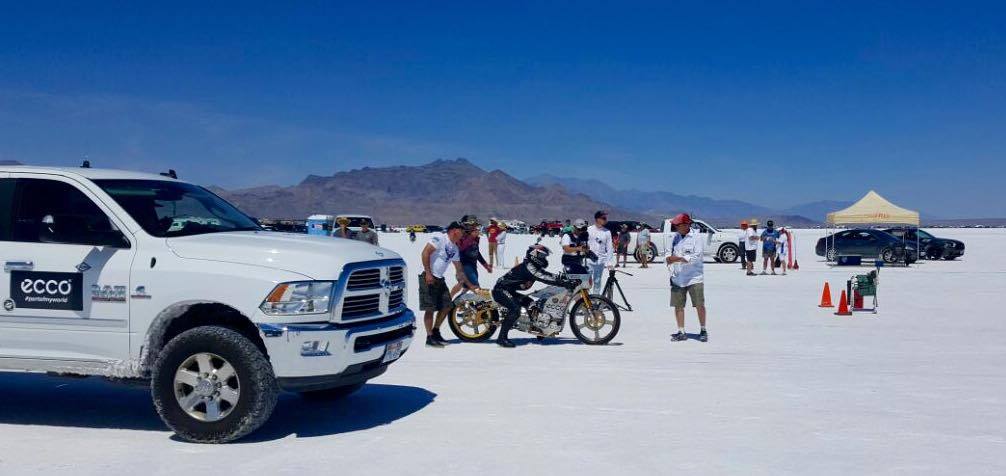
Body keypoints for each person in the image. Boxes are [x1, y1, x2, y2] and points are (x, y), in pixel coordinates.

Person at [492, 245, 579, 348]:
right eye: (542, 256)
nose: (544, 259)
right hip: (501, 291)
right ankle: (501, 338)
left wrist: (561, 278)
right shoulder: (529, 267)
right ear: (535, 256)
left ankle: (539, 330)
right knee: (515, 309)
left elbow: (545, 274)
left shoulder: (532, 266)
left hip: (508, 290)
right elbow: (542, 277)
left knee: (531, 304)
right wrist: (563, 283)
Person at [419, 221, 476, 348]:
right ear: (454, 230)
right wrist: (428, 273)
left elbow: (459, 269)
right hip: (428, 276)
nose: (463, 234)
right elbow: (425, 253)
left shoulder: (454, 248)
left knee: (447, 305)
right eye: (462, 231)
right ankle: (429, 337)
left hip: (439, 279)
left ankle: (436, 331)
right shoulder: (440, 238)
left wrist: (468, 284)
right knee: (430, 308)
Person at [664, 213, 707, 342]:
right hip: (678, 277)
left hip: (694, 277)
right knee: (678, 305)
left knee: (699, 304)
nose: (676, 227)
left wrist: (677, 259)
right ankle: (681, 331)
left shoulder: (696, 237)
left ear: (686, 224)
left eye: (678, 225)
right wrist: (671, 261)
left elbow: (696, 257)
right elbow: (668, 255)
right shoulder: (675, 237)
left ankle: (703, 329)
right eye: (675, 225)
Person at [451, 215, 491, 297]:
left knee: (465, 288)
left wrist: (485, 265)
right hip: (464, 265)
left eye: (475, 225)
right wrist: (471, 237)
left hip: (473, 265)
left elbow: (476, 252)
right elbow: (461, 248)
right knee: (476, 287)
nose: (474, 227)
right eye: (472, 225)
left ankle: (449, 304)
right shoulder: (460, 235)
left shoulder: (474, 236)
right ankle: (447, 303)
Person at [586, 211, 614, 295]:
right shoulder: (589, 230)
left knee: (597, 281)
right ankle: (585, 301)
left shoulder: (607, 232)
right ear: (597, 219)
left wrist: (609, 262)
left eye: (606, 218)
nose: (606, 220)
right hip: (588, 261)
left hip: (600, 261)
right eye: (604, 218)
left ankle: (595, 300)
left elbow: (609, 248)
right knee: (587, 281)